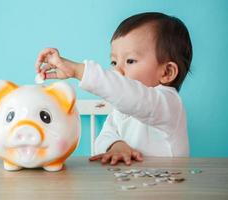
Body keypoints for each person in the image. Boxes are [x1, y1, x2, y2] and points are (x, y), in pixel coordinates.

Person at [35, 12, 193, 166]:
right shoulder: (121, 109)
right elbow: (104, 137)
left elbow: (132, 96)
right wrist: (116, 145)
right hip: (133, 188)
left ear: (167, 72)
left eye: (130, 61)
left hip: (168, 190)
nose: (117, 71)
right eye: (113, 62)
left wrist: (78, 70)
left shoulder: (169, 104)